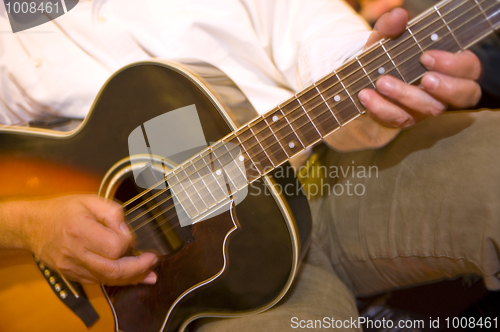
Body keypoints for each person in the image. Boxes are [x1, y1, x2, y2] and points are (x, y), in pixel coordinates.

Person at [0, 0, 493, 331]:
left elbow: (312, 29)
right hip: (200, 289)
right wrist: (28, 227)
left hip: (338, 169)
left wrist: (372, 72)